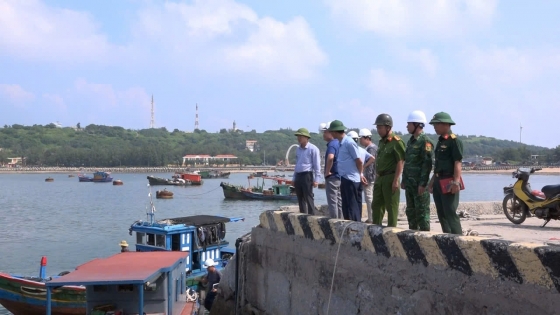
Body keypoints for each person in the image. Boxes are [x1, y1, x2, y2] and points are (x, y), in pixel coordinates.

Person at [428, 112, 464, 234]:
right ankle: (447, 238)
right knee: (441, 212)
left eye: (436, 124)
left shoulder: (454, 141)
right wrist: (432, 181)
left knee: (450, 211)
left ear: (445, 124)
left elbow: (457, 163)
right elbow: (438, 165)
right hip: (438, 180)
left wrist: (456, 182)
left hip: (448, 180)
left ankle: (458, 239)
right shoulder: (440, 141)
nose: (434, 127)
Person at [327, 120, 367, 221]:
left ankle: (355, 228)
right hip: (345, 178)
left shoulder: (349, 142)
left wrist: (361, 174)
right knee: (346, 207)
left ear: (335, 132)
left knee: (352, 207)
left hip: (351, 179)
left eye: (331, 131)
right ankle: (349, 227)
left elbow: (359, 160)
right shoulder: (341, 143)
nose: (330, 134)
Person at [371, 114, 406, 227]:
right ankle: (376, 227)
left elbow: (400, 162)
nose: (378, 130)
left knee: (391, 206)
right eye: (377, 128)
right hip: (380, 178)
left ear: (388, 127)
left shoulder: (396, 142)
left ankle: (392, 230)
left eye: (380, 128)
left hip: (390, 177)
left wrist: (396, 180)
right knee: (376, 205)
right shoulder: (381, 142)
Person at [402, 110, 433, 231]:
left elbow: (427, 164)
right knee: (410, 211)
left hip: (419, 184)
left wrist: (423, 183)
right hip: (410, 184)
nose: (407, 126)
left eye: (409, 124)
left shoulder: (425, 141)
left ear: (417, 125)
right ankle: (412, 234)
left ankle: (425, 237)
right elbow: (407, 162)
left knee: (422, 212)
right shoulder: (410, 141)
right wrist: (404, 179)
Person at [292, 128, 322, 215]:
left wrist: (317, 179)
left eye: (300, 136)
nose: (299, 138)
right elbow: (297, 164)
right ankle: (303, 216)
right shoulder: (298, 149)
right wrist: (294, 178)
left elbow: (317, 165)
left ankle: (312, 216)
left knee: (308, 197)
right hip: (298, 175)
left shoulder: (313, 149)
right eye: (298, 136)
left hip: (307, 175)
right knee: (300, 198)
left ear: (306, 137)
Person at [320, 122, 342, 218]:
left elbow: (330, 158)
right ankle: (341, 220)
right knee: (339, 201)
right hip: (339, 176)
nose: (323, 135)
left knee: (332, 201)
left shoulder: (332, 145)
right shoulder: (339, 143)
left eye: (325, 132)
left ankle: (334, 221)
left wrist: (327, 171)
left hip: (332, 177)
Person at [358, 128, 378, 223]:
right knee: (369, 197)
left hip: (369, 177)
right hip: (371, 176)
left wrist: (364, 168)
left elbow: (371, 162)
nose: (360, 141)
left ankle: (372, 218)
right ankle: (371, 217)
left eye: (361, 138)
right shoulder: (370, 148)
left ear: (366, 138)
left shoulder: (371, 148)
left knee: (369, 198)